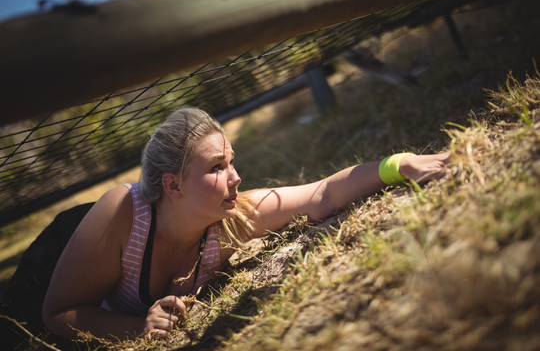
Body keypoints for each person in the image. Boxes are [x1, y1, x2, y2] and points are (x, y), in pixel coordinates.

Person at [6, 107, 450, 341]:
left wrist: (399, 165)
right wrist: (138, 328)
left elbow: (324, 195)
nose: (236, 176)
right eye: (218, 167)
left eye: (231, 161)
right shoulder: (122, 212)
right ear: (173, 185)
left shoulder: (230, 218)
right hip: (52, 260)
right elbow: (57, 313)